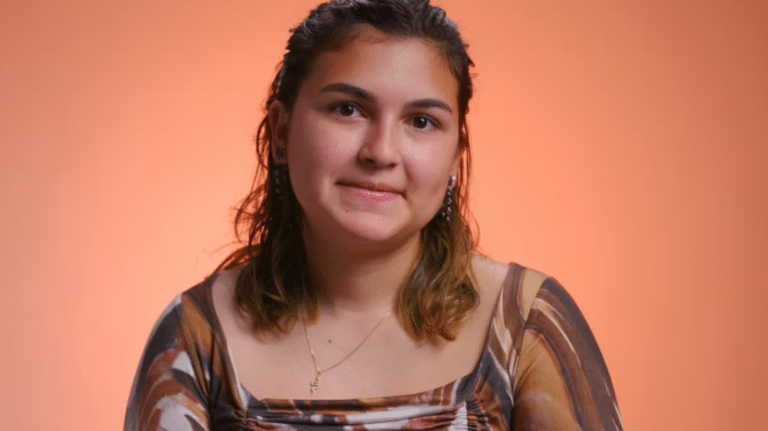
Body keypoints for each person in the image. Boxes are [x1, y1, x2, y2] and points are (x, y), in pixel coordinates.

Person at [125, 0, 623, 429]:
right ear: (281, 131)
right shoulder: (195, 337)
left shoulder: (527, 325)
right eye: (348, 109)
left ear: (455, 157)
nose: (381, 152)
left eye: (422, 121)